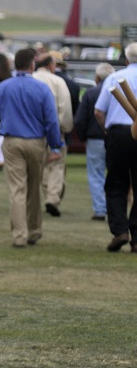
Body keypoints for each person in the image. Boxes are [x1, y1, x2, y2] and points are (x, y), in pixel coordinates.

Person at [0, 48, 62, 248]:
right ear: (32, 65)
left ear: (14, 65)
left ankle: (19, 235)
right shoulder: (42, 88)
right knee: (34, 188)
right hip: (36, 141)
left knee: (17, 188)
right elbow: (51, 120)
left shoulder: (3, 87)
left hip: (12, 141)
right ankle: (34, 231)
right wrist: (55, 146)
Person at [94, 42, 137, 253]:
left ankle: (120, 230)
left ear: (126, 59)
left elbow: (98, 112)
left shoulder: (114, 78)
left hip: (119, 134)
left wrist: (107, 131)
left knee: (116, 184)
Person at [33, 52, 73, 217]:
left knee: (40, 166)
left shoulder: (30, 79)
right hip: (54, 129)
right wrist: (65, 127)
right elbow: (65, 107)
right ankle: (52, 197)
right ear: (51, 66)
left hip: (33, 132)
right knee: (56, 165)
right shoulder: (58, 81)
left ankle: (47, 194)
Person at [74, 62, 115, 221]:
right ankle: (115, 208)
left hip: (95, 139)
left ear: (97, 77)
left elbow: (80, 119)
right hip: (115, 138)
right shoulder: (118, 93)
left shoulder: (90, 93)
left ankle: (100, 209)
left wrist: (84, 136)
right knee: (115, 175)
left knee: (96, 174)